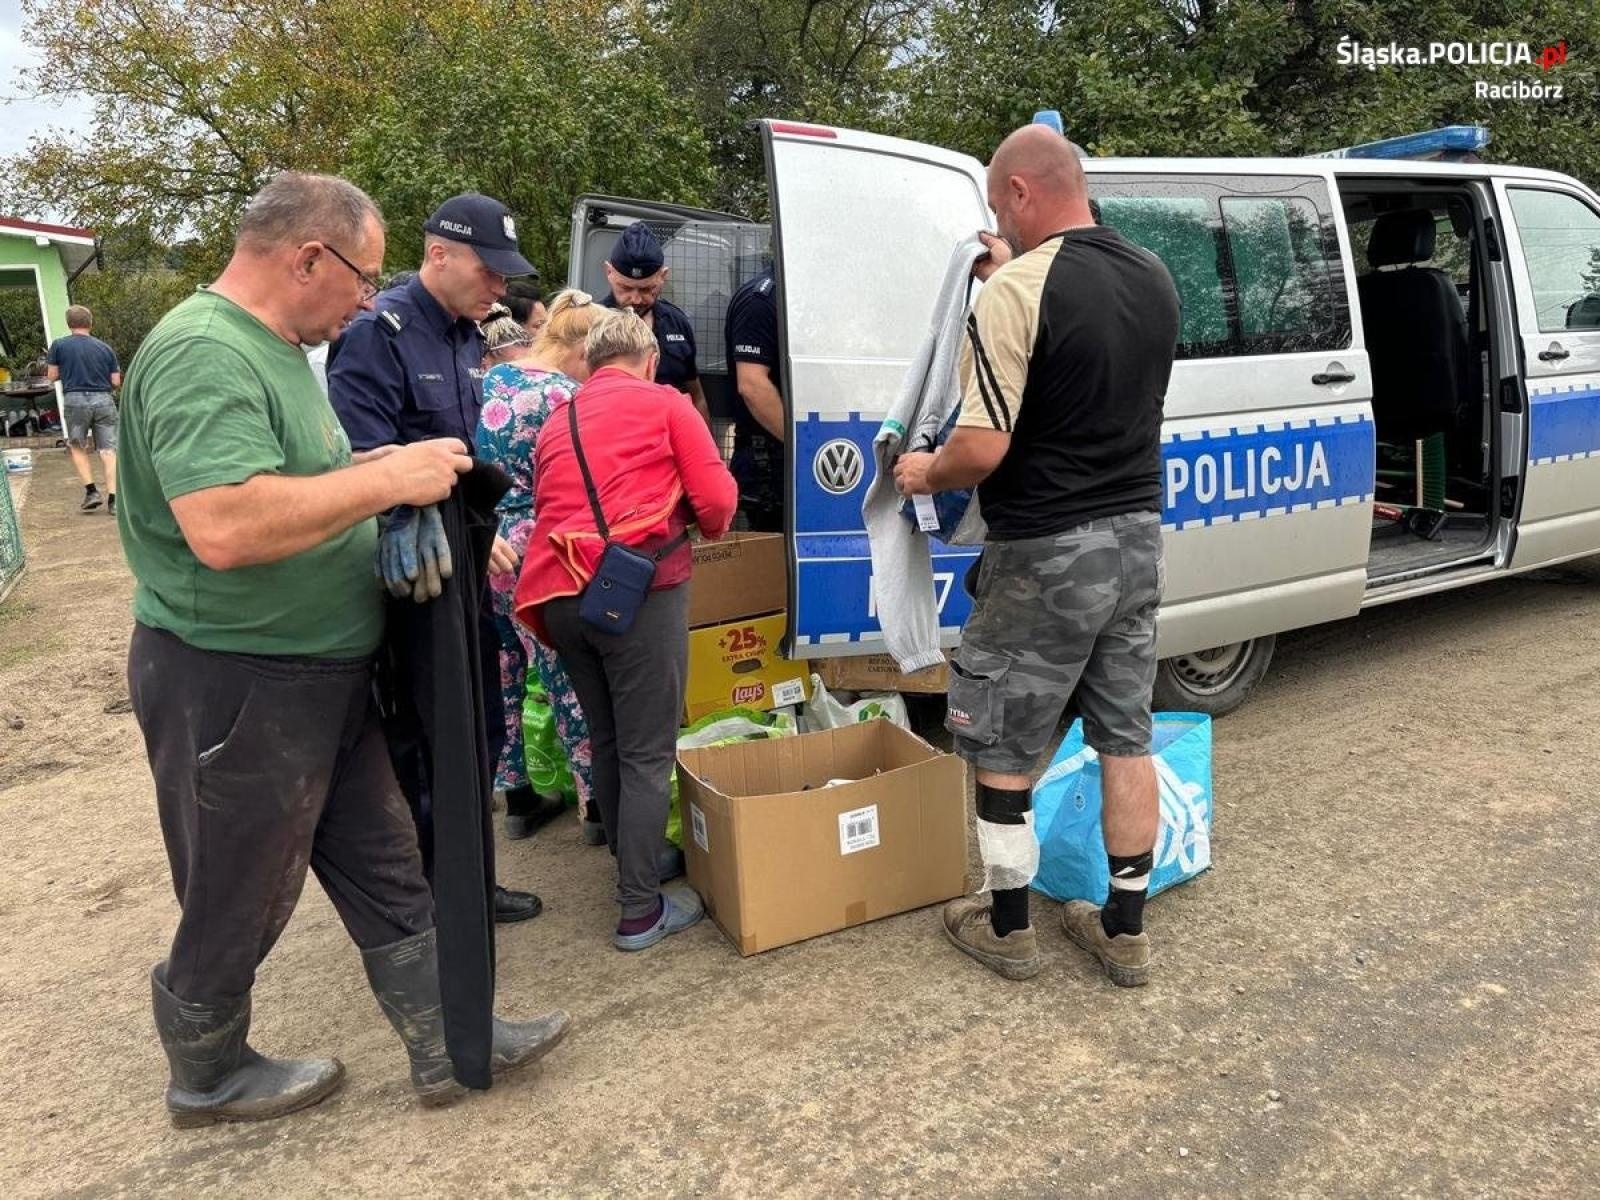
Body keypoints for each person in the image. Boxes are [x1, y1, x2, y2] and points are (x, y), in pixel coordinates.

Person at [117, 171, 570, 1127]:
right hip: (239, 677)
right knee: (240, 883)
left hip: (316, 670)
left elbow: (282, 477)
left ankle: (453, 1041)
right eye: (362, 277)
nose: (371, 298)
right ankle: (206, 1071)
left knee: (386, 860)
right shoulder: (206, 352)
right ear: (308, 259)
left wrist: (363, 471)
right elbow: (226, 524)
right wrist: (386, 480)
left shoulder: (278, 349)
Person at [894, 125, 1182, 986]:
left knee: (1005, 741)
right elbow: (1080, 354)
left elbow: (979, 448)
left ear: (1020, 191)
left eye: (996, 204)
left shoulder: (1016, 290)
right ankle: (1124, 931)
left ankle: (1008, 926)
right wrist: (1005, 278)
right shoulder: (1153, 275)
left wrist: (923, 469)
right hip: (1136, 538)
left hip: (1048, 550)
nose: (998, 221)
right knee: (1126, 737)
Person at [327, 192, 543, 925]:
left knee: (477, 731)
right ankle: (435, 904)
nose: (501, 289)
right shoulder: (376, 335)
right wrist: (399, 513)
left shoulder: (460, 337)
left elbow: (461, 456)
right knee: (423, 745)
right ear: (439, 254)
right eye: (490, 272)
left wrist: (486, 534)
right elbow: (355, 459)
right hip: (409, 585)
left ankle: (471, 884)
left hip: (463, 567)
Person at [514, 308, 737, 951]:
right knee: (647, 752)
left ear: (587, 363)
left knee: (609, 742)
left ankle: (633, 861)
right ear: (650, 361)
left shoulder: (559, 420)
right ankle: (639, 909)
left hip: (559, 597)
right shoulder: (667, 405)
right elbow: (718, 504)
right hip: (637, 593)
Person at [475, 291, 600, 839]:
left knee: (503, 668)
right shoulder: (565, 395)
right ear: (577, 348)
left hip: (487, 541)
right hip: (543, 545)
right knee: (564, 673)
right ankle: (597, 808)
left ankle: (519, 797)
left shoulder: (491, 380)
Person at [601, 222, 712, 426]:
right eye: (625, 287)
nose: (635, 299)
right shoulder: (591, 324)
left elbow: (696, 396)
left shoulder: (677, 323)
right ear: (609, 272)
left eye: (646, 289)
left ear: (663, 277)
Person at [724, 266, 784, 532]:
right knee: (773, 565)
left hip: (796, 458)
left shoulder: (800, 296)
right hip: (769, 464)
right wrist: (804, 445)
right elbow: (752, 385)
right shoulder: (761, 301)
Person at [45, 305, 121, 513]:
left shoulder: (59, 346)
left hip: (75, 400)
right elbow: (115, 381)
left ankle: (91, 492)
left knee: (78, 445)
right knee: (108, 449)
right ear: (90, 323)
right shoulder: (105, 348)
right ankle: (114, 501)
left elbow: (52, 376)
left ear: (69, 324)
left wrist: (70, 372)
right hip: (103, 400)